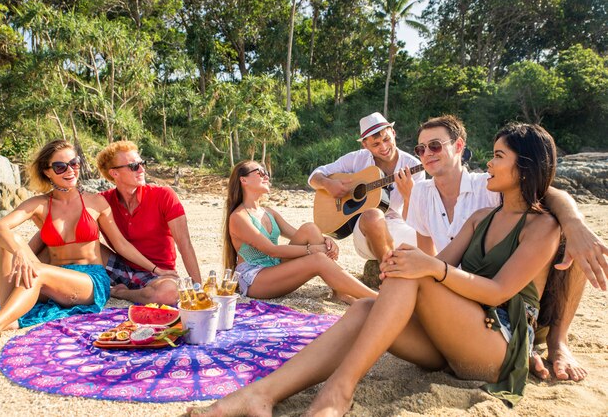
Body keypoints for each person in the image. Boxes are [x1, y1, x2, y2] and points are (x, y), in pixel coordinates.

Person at [190, 123, 569, 416]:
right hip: (452, 336)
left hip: (497, 345)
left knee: (415, 270)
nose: (489, 161)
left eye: (499, 156)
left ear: (524, 167)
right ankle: (260, 394)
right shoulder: (482, 217)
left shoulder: (543, 227)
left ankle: (339, 389)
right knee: (363, 307)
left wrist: (428, 269)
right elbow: (443, 263)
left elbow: (498, 291)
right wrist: (406, 262)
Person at [405, 115, 608, 382]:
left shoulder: (489, 186)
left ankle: (557, 342)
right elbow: (429, 256)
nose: (426, 154)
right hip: (469, 300)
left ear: (458, 146)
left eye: (435, 146)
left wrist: (574, 222)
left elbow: (543, 190)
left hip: (517, 302)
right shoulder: (421, 193)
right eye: (420, 149)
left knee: (573, 238)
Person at [0, 140, 175, 342]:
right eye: (60, 167)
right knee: (8, 240)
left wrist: (156, 270)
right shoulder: (39, 204)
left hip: (89, 280)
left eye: (74, 164)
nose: (70, 170)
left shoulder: (96, 202)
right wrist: (20, 251)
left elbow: (121, 245)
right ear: (47, 172)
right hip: (54, 278)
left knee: (37, 270)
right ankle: (7, 312)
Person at [224, 160, 377, 303]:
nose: (266, 175)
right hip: (255, 279)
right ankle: (377, 298)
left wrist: (325, 240)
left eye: (266, 172)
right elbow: (272, 250)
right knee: (318, 259)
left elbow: (299, 233)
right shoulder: (239, 217)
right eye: (260, 172)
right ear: (243, 180)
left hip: (275, 269)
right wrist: (312, 250)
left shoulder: (268, 212)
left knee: (310, 228)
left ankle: (339, 292)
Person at [94, 141, 202, 305]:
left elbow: (184, 243)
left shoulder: (163, 195)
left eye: (142, 164)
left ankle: (122, 293)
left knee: (169, 294)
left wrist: (198, 287)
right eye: (134, 166)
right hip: (119, 267)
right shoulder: (103, 200)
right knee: (83, 245)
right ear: (114, 173)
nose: (142, 169)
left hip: (158, 274)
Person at [308, 112, 425, 262]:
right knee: (372, 215)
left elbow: (417, 219)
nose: (383, 147)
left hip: (399, 227)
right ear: (365, 144)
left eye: (387, 139)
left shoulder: (413, 166)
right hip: (364, 232)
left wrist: (408, 196)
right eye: (376, 144)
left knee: (431, 240)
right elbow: (314, 176)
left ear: (394, 133)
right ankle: (389, 267)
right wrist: (328, 184)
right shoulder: (356, 159)